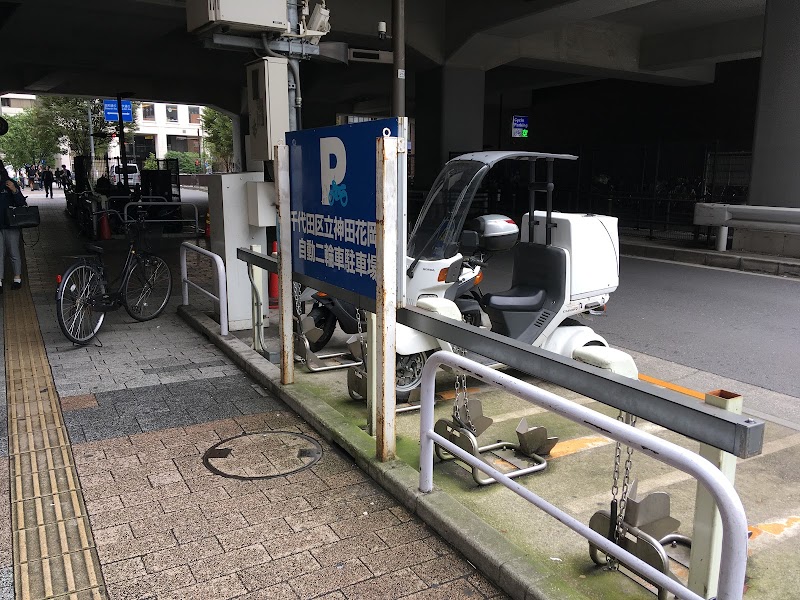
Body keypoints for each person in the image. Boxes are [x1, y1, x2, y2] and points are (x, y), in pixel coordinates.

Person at [0, 158, 27, 293]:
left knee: (13, 251)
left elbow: (21, 203)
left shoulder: (10, 184)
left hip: (11, 224)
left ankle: (17, 278)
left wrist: (14, 190)